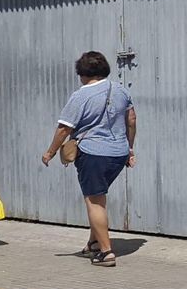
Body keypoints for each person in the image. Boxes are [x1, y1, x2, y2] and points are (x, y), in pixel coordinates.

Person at [42, 50, 137, 267]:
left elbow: (64, 129)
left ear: (82, 74)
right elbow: (131, 119)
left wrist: (50, 152)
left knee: (95, 202)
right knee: (99, 198)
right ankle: (94, 242)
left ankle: (106, 252)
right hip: (118, 153)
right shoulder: (120, 89)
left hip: (94, 154)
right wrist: (130, 148)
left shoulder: (81, 95)